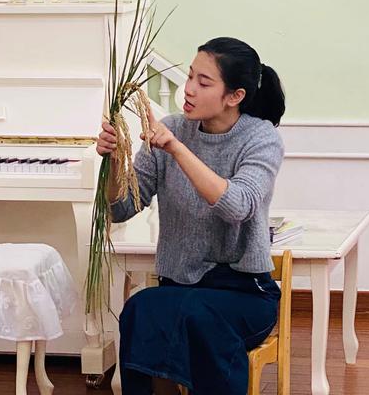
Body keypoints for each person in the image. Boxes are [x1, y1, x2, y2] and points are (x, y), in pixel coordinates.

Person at [97, 37, 286, 395]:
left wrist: (176, 148)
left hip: (244, 294)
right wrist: (116, 160)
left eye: (204, 82)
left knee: (195, 315)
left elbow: (237, 206)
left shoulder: (260, 139)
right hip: (180, 287)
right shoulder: (172, 128)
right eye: (189, 76)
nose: (189, 89)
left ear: (235, 96)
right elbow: (122, 207)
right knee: (140, 308)